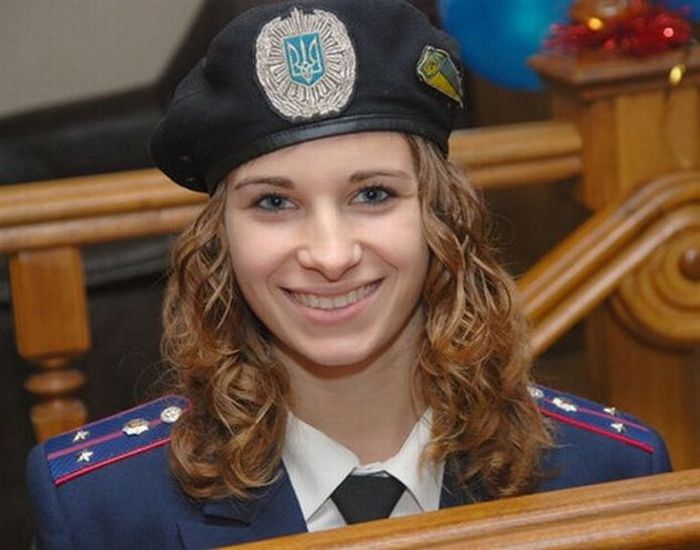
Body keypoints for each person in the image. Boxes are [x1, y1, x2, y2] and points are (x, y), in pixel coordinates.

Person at [26, 0, 671, 548]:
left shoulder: (609, 472)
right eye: (274, 202)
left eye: (373, 195)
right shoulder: (101, 510)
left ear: (444, 217)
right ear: (220, 240)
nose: (330, 256)